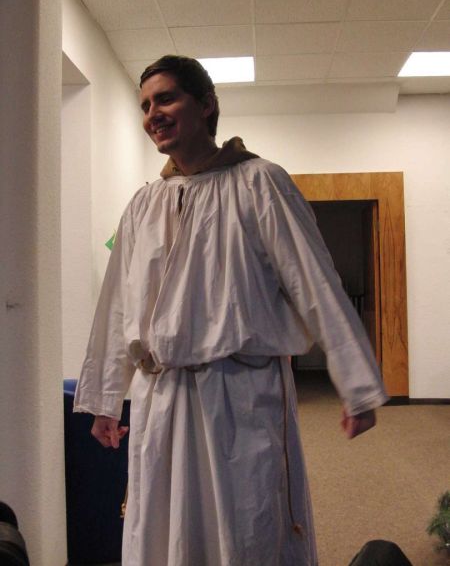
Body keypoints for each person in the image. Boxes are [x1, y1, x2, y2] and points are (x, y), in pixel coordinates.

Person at [74, 55, 388, 566]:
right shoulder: (143, 204)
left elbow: (315, 281)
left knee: (246, 531)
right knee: (164, 531)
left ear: (206, 105)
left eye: (166, 98)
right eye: (145, 105)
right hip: (161, 397)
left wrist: (356, 383)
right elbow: (117, 307)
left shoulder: (259, 183)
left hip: (240, 396)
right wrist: (106, 399)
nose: (153, 114)